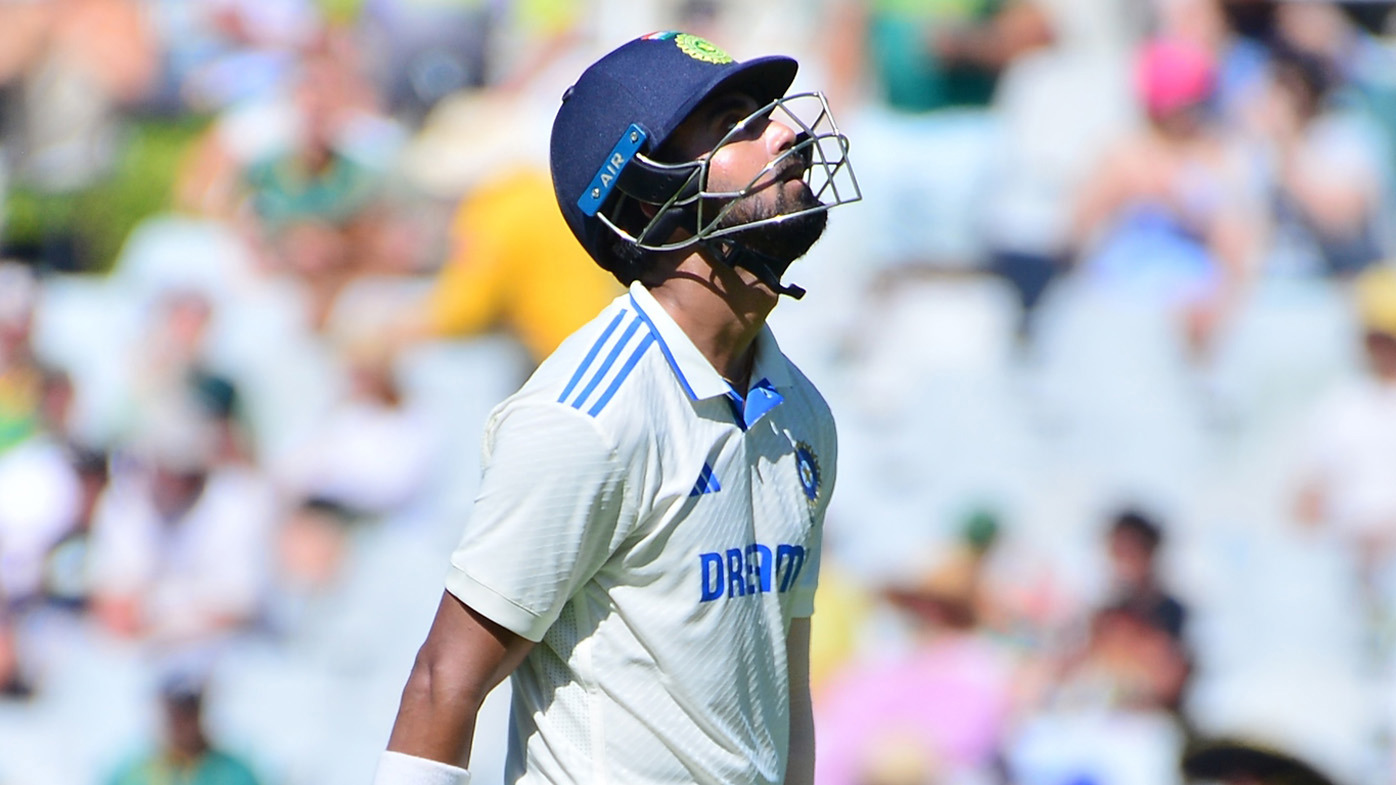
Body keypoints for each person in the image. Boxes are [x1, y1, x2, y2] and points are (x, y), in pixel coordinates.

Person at [374, 30, 860, 785]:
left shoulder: (802, 413)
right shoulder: (586, 417)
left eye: (769, 112)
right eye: (737, 121)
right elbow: (444, 681)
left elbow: (781, 700)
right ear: (644, 195)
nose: (788, 133)